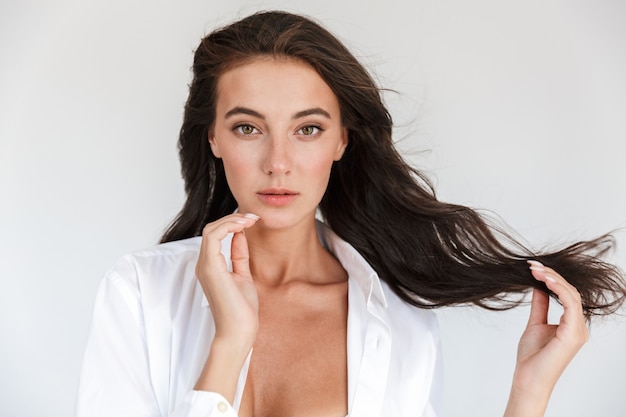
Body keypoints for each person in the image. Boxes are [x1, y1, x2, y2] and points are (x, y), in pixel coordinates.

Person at [76, 10, 626, 417]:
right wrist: (231, 341)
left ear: (342, 141)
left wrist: (528, 396)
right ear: (214, 138)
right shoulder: (140, 293)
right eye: (248, 128)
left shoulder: (401, 321)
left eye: (307, 129)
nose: (279, 163)